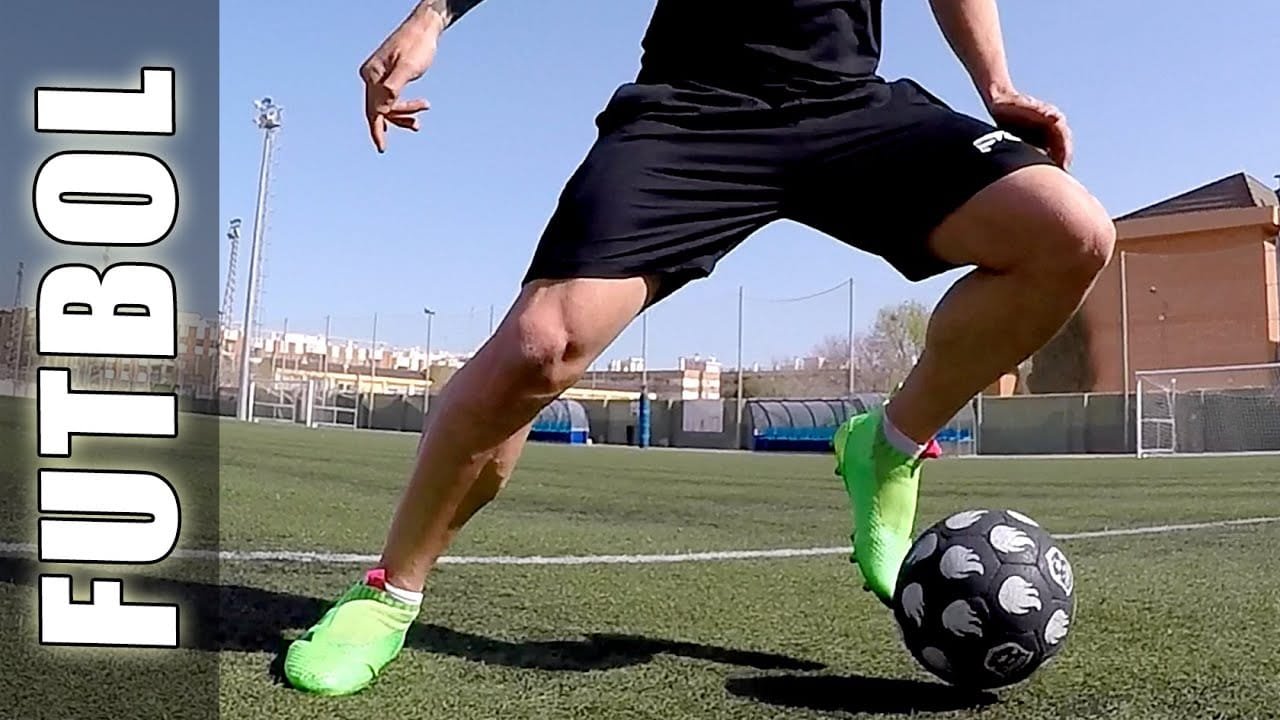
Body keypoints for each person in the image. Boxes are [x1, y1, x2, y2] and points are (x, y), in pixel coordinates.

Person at [284, 0, 1115, 696]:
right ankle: (389, 596)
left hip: (849, 106)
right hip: (692, 110)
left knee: (1070, 233)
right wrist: (433, 14)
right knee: (540, 348)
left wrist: (996, 82)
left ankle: (888, 446)